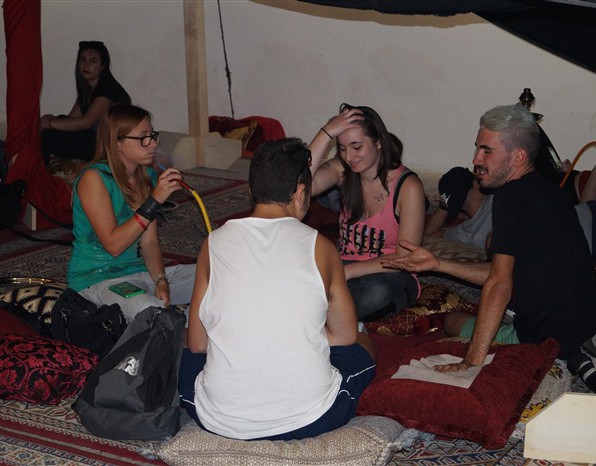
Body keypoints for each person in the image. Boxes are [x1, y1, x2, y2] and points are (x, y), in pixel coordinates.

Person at [382, 104, 596, 370]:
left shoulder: (509, 197)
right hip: (594, 324)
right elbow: (506, 270)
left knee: (452, 321)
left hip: (550, 341)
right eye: (477, 149)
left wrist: (472, 360)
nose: (476, 160)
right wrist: (437, 264)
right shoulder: (550, 192)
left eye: (487, 151)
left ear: (518, 156)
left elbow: (500, 282)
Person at [179, 138, 376, 441]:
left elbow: (198, 344)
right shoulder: (321, 247)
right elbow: (344, 336)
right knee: (361, 345)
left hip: (219, 418)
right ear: (300, 192)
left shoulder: (213, 243)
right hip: (310, 418)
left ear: (252, 190)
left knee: (186, 353)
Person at [67, 104, 195, 321]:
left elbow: (149, 242)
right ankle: (176, 334)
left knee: (219, 276)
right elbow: (114, 245)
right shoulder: (94, 179)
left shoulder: (146, 177)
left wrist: (161, 281)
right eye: (143, 137)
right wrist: (153, 201)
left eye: (152, 135)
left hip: (141, 275)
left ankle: (194, 331)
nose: (153, 143)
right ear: (117, 142)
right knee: (150, 310)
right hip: (98, 279)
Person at [306, 104, 426, 322]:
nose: (349, 156)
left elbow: (405, 257)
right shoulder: (343, 170)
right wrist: (325, 133)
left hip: (389, 273)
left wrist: (345, 273)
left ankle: (318, 314)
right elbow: (301, 187)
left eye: (356, 147)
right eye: (342, 148)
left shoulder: (408, 187)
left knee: (375, 293)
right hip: (343, 266)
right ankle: (324, 313)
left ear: (378, 142)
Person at [430, 142, 596, 263]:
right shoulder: (509, 189)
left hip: (593, 234)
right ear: (475, 183)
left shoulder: (465, 233)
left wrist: (445, 205)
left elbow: (426, 236)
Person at [40, 41, 131, 164]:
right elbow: (71, 120)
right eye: (82, 60)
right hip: (93, 142)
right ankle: (34, 167)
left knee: (52, 132)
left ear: (103, 66)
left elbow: (85, 123)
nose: (86, 65)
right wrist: (49, 120)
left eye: (93, 61)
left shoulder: (108, 91)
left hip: (108, 147)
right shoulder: (87, 90)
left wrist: (50, 123)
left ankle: (34, 170)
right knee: (53, 130)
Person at [424, 166, 494, 250]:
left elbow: (428, 237)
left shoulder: (467, 232)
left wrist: (444, 207)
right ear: (475, 184)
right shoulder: (501, 197)